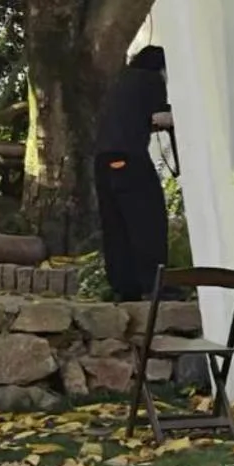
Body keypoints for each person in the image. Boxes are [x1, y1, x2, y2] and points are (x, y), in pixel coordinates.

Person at [94, 45, 172, 302]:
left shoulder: (118, 82)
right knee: (148, 220)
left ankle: (124, 287)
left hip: (103, 160)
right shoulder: (150, 80)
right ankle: (156, 283)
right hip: (129, 157)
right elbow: (160, 116)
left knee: (116, 224)